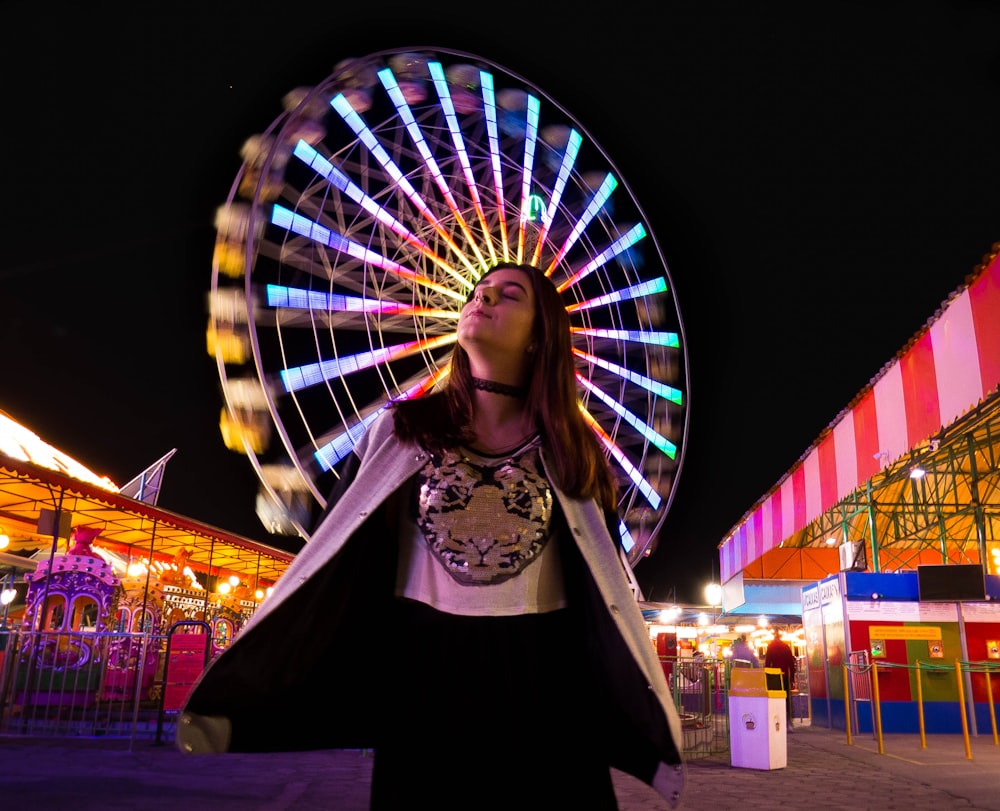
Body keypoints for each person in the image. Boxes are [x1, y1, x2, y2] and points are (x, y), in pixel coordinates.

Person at [176, 262, 685, 810]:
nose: (482, 300)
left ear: (541, 336)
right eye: (479, 291)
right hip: (428, 671)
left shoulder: (572, 451)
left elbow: (602, 586)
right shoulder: (401, 432)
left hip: (542, 675)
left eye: (508, 296)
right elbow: (340, 551)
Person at [764, 634, 798, 729]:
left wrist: (767, 677)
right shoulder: (786, 646)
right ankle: (788, 723)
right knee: (786, 700)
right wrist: (792, 678)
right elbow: (791, 663)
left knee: (775, 700)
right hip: (785, 676)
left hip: (774, 677)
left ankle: (776, 721)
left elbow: (767, 663)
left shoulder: (770, 647)